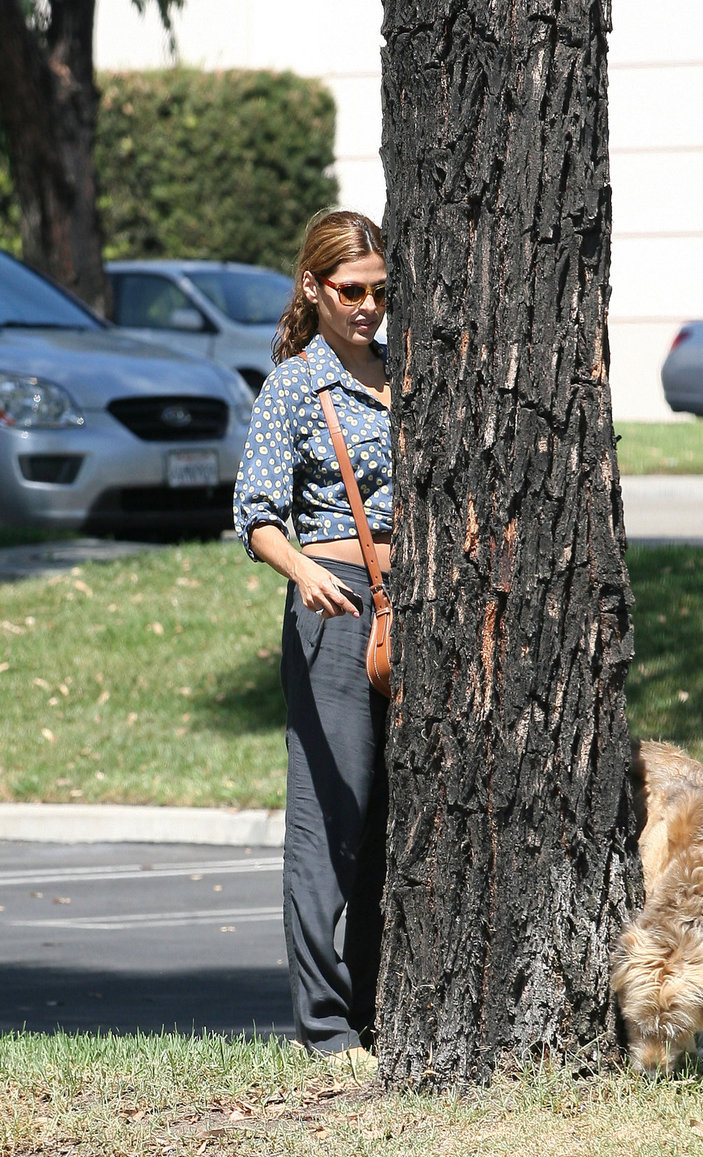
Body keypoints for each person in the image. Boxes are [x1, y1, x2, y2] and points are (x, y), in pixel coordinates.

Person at [233, 209, 391, 1066]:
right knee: (332, 816)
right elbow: (255, 515)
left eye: (379, 290)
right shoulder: (296, 384)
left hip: (416, 609)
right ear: (314, 287)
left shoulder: (406, 373)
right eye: (351, 290)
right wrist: (303, 572)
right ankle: (326, 1030)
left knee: (395, 821)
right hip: (335, 609)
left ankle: (373, 1006)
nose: (368, 306)